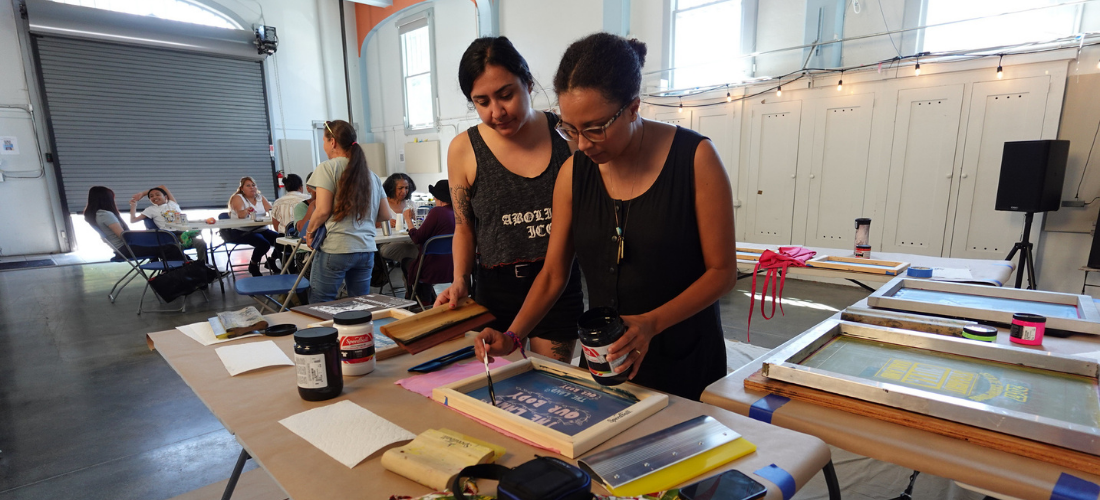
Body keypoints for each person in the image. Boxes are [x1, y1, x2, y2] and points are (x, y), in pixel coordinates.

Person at [473, 33, 738, 401]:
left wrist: (651, 323)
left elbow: (722, 273)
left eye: (595, 128)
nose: (582, 144)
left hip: (685, 360)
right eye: (570, 129)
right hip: (605, 362)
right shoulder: (573, 173)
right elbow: (553, 274)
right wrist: (513, 335)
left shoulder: (695, 159)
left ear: (633, 107)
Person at [435, 36, 584, 363]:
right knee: (501, 392)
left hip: (557, 285)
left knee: (549, 393)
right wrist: (459, 279)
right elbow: (464, 228)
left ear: (528, 84)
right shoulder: (464, 149)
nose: (497, 111)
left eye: (506, 95)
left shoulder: (566, 135)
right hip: (496, 289)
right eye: (482, 101)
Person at [305, 119, 391, 303]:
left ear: (333, 142)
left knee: (321, 304)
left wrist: (310, 231)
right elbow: (385, 215)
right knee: (359, 305)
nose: (324, 146)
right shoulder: (372, 176)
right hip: (366, 250)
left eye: (324, 141)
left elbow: (322, 210)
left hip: (337, 248)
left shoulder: (327, 168)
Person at [83, 185, 185, 261]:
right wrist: (148, 237)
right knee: (169, 248)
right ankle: (188, 271)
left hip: (123, 249)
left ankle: (177, 270)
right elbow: (124, 236)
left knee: (165, 248)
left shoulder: (96, 214)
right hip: (126, 249)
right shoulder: (105, 214)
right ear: (107, 199)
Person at [405, 180, 456, 303]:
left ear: (439, 198)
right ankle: (428, 298)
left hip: (432, 269)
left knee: (407, 263)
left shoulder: (437, 212)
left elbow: (417, 238)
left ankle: (418, 301)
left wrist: (408, 220)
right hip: (453, 267)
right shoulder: (457, 212)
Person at [127, 185, 208, 262]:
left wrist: (143, 194)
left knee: (201, 243)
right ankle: (190, 266)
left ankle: (203, 265)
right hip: (169, 238)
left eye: (157, 194)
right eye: (151, 196)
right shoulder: (150, 210)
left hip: (183, 235)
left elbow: (162, 187)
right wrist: (133, 205)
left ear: (165, 197)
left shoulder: (172, 203)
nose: (154, 197)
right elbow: (133, 220)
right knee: (175, 250)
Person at [224, 176, 281, 276]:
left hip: (261, 228)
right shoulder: (238, 197)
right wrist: (246, 210)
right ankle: (253, 265)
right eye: (248, 186)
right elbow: (240, 215)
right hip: (243, 231)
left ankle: (271, 261)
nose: (252, 187)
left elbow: (272, 211)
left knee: (281, 240)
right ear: (242, 188)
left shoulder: (260, 197)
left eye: (253, 185)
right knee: (264, 244)